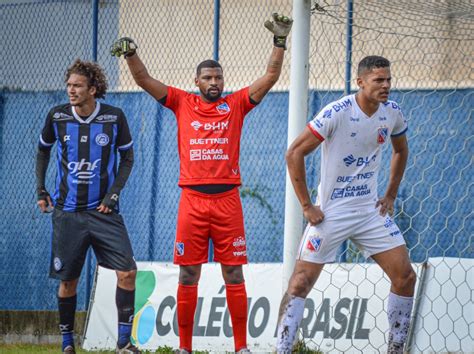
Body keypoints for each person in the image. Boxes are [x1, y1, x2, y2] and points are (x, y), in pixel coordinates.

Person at [110, 13, 292, 354]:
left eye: (218, 77)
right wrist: (131, 53)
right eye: (208, 77)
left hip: (228, 203)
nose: (214, 82)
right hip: (192, 203)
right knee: (188, 275)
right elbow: (144, 79)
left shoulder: (235, 104)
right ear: (196, 81)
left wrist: (279, 41)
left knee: (234, 276)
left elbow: (270, 76)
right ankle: (185, 348)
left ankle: (242, 348)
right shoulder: (182, 102)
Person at [276, 56, 416, 354]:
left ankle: (396, 349)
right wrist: (306, 206)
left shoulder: (392, 113)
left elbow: (401, 150)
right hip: (332, 213)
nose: (386, 85)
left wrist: (390, 194)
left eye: (389, 79)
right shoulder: (337, 112)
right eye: (379, 80)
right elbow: (294, 153)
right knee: (300, 282)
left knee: (405, 277)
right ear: (361, 82)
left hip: (369, 212)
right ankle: (282, 349)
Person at [36, 59, 140, 354]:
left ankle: (123, 342)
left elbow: (128, 159)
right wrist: (41, 189)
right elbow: (43, 151)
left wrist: (114, 195)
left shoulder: (114, 117)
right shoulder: (57, 116)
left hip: (104, 212)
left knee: (128, 272)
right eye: (69, 85)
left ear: (93, 89)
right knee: (68, 282)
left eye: (77, 85)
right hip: (67, 213)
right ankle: (67, 344)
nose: (71, 90)